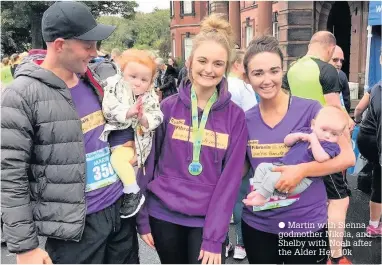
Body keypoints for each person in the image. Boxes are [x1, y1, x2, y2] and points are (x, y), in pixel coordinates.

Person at [1, 2, 139, 264]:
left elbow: (116, 123)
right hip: (74, 230)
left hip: (116, 214)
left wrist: (125, 144)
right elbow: (9, 175)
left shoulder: (95, 78)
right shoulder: (21, 95)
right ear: (60, 45)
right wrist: (26, 247)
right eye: (87, 46)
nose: (95, 52)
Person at [137, 14, 248, 264]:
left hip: (206, 220)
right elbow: (148, 163)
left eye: (218, 63)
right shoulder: (167, 107)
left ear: (227, 67)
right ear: (190, 61)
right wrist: (142, 217)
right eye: (202, 61)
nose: (209, 69)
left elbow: (230, 180)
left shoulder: (235, 117)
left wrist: (213, 237)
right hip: (163, 216)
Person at [242, 35, 355, 264]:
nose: (267, 80)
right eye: (258, 73)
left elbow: (348, 157)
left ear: (282, 71)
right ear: (247, 77)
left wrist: (301, 170)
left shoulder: (312, 109)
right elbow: (242, 168)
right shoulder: (245, 120)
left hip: (306, 226)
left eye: (274, 71)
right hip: (259, 226)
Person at [282, 31, 354, 264]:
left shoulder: (292, 69)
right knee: (340, 199)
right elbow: (335, 110)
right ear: (330, 49)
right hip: (325, 142)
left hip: (300, 140)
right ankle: (336, 255)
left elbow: (286, 102)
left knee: (312, 194)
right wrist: (348, 126)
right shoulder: (327, 70)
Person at [100, 49, 163, 218]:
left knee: (117, 160)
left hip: (135, 140)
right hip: (114, 136)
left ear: (150, 82)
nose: (137, 83)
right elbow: (108, 108)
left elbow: (157, 116)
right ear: (122, 73)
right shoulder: (114, 87)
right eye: (132, 77)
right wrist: (128, 112)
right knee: (115, 166)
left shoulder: (149, 97)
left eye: (144, 80)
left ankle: (132, 191)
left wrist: (143, 118)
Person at [245, 106, 347, 207]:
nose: (327, 135)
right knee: (262, 167)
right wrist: (297, 136)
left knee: (272, 178)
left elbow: (321, 158)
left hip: (301, 180)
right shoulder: (306, 132)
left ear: (340, 134)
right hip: (281, 165)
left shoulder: (331, 146)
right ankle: (258, 191)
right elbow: (287, 142)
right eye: (324, 130)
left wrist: (313, 140)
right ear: (313, 125)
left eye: (334, 134)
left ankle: (261, 198)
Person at [225, 48, 258, 260]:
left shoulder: (221, 83)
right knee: (241, 197)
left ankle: (224, 242)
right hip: (240, 149)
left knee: (223, 198)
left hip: (220, 148)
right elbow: (252, 119)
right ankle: (241, 244)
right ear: (238, 65)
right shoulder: (243, 87)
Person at [356, 51, 382, 237]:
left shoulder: (376, 87)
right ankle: (373, 226)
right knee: (380, 179)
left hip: (365, 136)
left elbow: (358, 109)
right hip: (374, 140)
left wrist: (357, 120)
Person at [329, 46, 351, 113]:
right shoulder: (315, 75)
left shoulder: (342, 76)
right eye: (335, 60)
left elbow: (346, 101)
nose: (339, 64)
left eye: (341, 61)